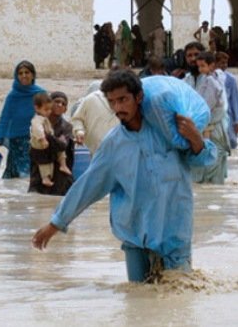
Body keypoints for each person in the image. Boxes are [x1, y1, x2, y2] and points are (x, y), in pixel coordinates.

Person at [31, 70, 217, 283]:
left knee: (178, 302)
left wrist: (196, 140)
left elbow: (205, 162)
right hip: (135, 236)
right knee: (138, 301)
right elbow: (88, 186)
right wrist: (55, 224)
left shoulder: (167, 132)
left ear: (138, 97)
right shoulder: (113, 145)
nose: (118, 108)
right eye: (112, 102)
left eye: (123, 100)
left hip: (175, 235)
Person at [0, 60, 46, 179]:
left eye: (27, 72)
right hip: (16, 141)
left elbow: (48, 115)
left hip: (35, 139)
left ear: (33, 75)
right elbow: (4, 119)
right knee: (15, 175)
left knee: (30, 173)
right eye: (20, 73)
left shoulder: (40, 94)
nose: (24, 75)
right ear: (16, 76)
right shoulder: (13, 96)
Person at [190, 52, 230, 184]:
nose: (200, 69)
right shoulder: (209, 79)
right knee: (214, 158)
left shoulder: (211, 81)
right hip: (213, 125)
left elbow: (207, 105)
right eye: (199, 66)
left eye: (203, 66)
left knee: (213, 158)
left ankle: (214, 190)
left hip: (212, 127)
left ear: (211, 65)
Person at [29, 91, 76, 195]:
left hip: (60, 173)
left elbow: (63, 146)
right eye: (57, 102)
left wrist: (48, 137)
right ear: (49, 104)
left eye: (63, 104)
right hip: (40, 170)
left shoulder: (67, 127)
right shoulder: (37, 122)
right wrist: (54, 140)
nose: (60, 105)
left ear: (65, 109)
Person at [70, 84, 118, 155]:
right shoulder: (91, 99)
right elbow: (77, 119)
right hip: (95, 149)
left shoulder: (128, 100)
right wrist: (79, 131)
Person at [215, 52, 238, 149]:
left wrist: (237, 120)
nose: (224, 66)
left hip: (228, 116)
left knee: (231, 142)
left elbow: (235, 100)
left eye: (225, 63)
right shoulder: (210, 78)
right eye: (221, 63)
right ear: (215, 63)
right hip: (215, 117)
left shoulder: (231, 79)